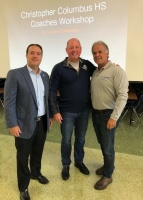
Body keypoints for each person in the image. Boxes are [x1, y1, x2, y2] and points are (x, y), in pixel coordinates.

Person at [4, 44, 53, 200]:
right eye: (32, 53)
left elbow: (47, 98)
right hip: (23, 124)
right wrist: (12, 124)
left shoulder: (45, 75)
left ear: (42, 56)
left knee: (37, 153)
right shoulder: (15, 74)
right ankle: (23, 187)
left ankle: (36, 173)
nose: (35, 56)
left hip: (42, 123)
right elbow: (9, 101)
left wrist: (49, 115)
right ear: (26, 55)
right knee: (23, 157)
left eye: (38, 53)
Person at [49, 38, 96, 180]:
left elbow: (101, 71)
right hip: (66, 112)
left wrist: (113, 67)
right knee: (67, 140)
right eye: (71, 47)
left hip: (84, 111)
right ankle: (65, 164)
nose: (74, 49)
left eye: (77, 47)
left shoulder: (87, 65)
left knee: (81, 139)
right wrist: (55, 111)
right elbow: (51, 90)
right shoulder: (58, 68)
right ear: (66, 50)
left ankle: (79, 161)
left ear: (81, 49)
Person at [90, 41, 128, 190]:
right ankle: (108, 165)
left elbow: (123, 95)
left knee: (108, 146)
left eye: (100, 52)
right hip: (96, 114)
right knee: (103, 143)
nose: (97, 55)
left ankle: (107, 175)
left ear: (107, 53)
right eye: (94, 53)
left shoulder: (117, 71)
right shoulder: (96, 71)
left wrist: (114, 117)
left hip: (108, 115)